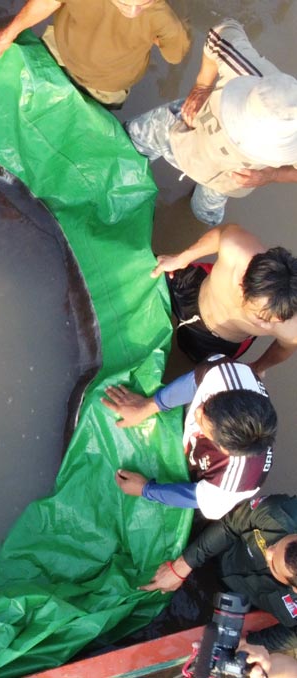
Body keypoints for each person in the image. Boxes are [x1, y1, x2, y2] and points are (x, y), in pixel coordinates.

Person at [126, 19, 297, 225]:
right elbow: (223, 31)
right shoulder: (246, 69)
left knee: (205, 215)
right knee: (130, 144)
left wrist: (271, 176)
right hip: (187, 126)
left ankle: (192, 224)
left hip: (226, 180)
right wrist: (202, 86)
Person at [102, 355, 277, 520]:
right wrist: (147, 406)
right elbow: (195, 383)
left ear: (223, 448)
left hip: (200, 472)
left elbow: (195, 497)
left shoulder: (231, 485)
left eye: (203, 420)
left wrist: (146, 489)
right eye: (208, 402)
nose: (198, 410)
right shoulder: (229, 373)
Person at [140, 495, 297, 652]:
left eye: (273, 565)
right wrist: (182, 565)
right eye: (276, 544)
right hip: (217, 549)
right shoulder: (280, 513)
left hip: (235, 600)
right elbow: (230, 524)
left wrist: (250, 643)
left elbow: (292, 634)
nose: (268, 552)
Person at [151, 225, 297, 376]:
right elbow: (221, 234)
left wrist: (258, 367)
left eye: (273, 321)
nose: (266, 326)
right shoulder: (238, 248)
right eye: (261, 317)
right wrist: (182, 258)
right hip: (191, 286)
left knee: (190, 359)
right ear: (242, 287)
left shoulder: (290, 326)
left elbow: (285, 348)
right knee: (148, 271)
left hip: (214, 341)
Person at [0, 0, 189, 108]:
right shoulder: (166, 19)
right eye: (125, 3)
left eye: (144, 4)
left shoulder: (166, 18)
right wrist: (158, 34)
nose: (133, 10)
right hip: (106, 82)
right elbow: (174, 55)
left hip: (67, 55)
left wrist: (9, 33)